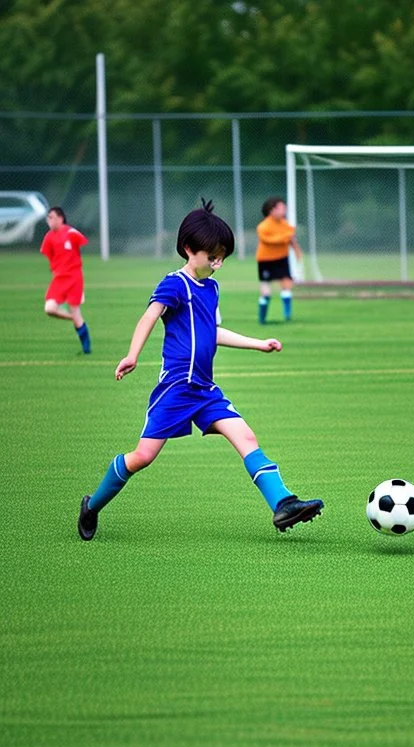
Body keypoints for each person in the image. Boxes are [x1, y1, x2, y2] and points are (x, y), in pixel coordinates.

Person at [78, 200, 323, 541]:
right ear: (189, 249)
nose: (218, 263)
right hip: (176, 389)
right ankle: (92, 505)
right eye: (213, 256)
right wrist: (132, 354)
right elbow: (150, 316)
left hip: (206, 390)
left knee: (246, 437)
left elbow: (213, 332)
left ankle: (283, 503)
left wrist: (257, 343)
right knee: (142, 457)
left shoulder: (212, 288)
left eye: (222, 256)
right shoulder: (175, 284)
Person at [40, 206, 91, 354]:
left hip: (74, 278)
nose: (50, 221)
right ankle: (75, 319)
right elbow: (49, 255)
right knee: (49, 309)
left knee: (75, 310)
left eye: (52, 217)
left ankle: (86, 349)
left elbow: (83, 241)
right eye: (48, 218)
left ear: (61, 218)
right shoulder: (49, 237)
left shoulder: (71, 232)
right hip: (59, 279)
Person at [256, 196, 303, 324]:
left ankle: (287, 315)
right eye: (281, 207)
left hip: (282, 258)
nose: (284, 210)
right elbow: (268, 240)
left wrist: (297, 250)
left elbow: (291, 239)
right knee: (266, 290)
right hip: (266, 260)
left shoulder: (285, 224)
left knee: (287, 283)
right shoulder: (263, 226)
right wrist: (285, 237)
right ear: (272, 210)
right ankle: (262, 318)